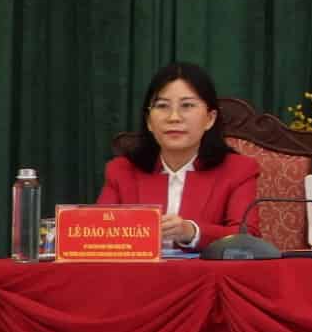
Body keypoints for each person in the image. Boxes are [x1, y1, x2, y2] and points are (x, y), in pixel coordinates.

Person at [99, 61, 259, 252]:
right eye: (162, 106)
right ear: (149, 121)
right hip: (135, 279)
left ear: (210, 119)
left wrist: (192, 232)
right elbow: (100, 234)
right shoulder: (121, 171)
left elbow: (248, 240)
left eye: (187, 105)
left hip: (205, 280)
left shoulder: (238, 170)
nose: (174, 117)